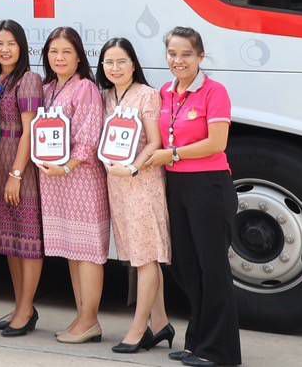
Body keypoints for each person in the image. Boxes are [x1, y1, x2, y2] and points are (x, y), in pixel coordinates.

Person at [141, 27, 238, 367]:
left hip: (209, 186)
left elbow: (216, 143)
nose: (178, 61)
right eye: (172, 54)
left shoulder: (214, 91)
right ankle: (197, 342)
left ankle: (220, 351)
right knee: (186, 267)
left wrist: (173, 155)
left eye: (185, 54)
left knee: (212, 268)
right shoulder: (165, 92)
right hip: (177, 186)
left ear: (200, 56)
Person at [97, 37, 173, 354]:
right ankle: (161, 322)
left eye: (121, 62)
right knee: (140, 255)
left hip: (142, 182)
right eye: (109, 62)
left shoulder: (147, 95)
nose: (115, 68)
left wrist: (133, 168)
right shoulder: (105, 96)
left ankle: (139, 329)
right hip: (116, 185)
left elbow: (155, 142)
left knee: (146, 256)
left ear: (133, 64)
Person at [37, 26, 109, 344]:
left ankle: (90, 319)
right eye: (54, 52)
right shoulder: (48, 88)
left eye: (66, 52)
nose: (60, 57)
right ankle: (82, 316)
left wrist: (67, 166)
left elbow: (89, 137)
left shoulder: (85, 88)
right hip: (54, 180)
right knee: (72, 250)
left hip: (80, 179)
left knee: (88, 250)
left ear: (79, 56)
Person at [0, 19, 44, 336]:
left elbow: (29, 131)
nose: (4, 49)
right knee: (9, 240)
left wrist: (16, 174)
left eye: (11, 43)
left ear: (22, 47)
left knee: (27, 240)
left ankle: (26, 308)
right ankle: (21, 305)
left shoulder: (29, 80)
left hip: (20, 165)